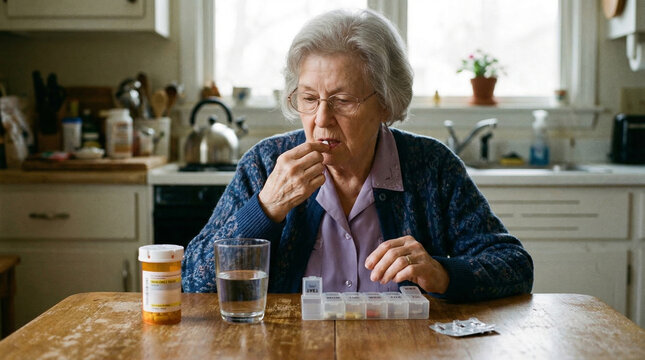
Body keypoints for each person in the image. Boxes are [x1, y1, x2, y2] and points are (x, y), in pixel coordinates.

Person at [182, 9, 533, 300]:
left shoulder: (432, 167)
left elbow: (515, 265)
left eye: (342, 100)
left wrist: (441, 273)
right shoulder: (263, 164)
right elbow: (193, 281)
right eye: (308, 99)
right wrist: (265, 209)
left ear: (384, 102)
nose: (321, 119)